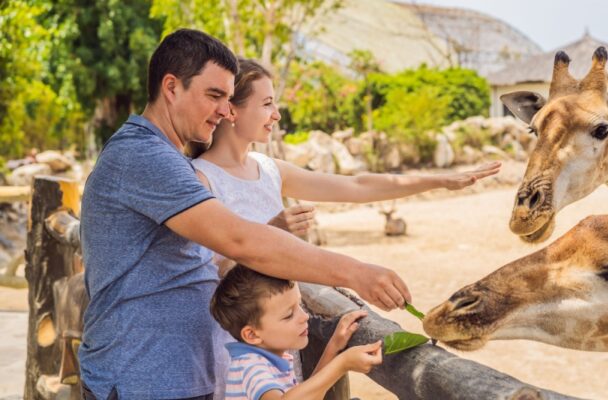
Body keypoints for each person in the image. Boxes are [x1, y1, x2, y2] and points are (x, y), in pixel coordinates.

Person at [79, 28, 410, 400]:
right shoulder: (143, 157)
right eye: (215, 95)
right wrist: (356, 272)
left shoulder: (168, 158)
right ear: (171, 88)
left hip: (175, 376)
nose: (225, 109)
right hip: (144, 380)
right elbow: (239, 239)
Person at [189, 58, 502, 271]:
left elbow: (357, 186)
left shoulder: (269, 169)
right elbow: (203, 274)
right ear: (231, 110)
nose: (277, 115)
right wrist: (271, 232)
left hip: (281, 341)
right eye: (267, 104)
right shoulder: (200, 180)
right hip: (234, 349)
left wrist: (440, 181)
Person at [211, 265, 381, 400]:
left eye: (299, 305)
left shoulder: (269, 358)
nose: (304, 316)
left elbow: (307, 395)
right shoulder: (250, 366)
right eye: (288, 315)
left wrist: (334, 346)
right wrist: (342, 364)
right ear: (252, 335)